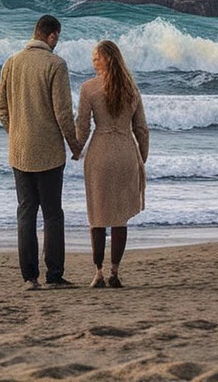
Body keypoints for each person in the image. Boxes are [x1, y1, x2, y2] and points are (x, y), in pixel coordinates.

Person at [0, 14, 82, 290]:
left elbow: (1, 108)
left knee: (26, 212)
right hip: (48, 153)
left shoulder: (11, 63)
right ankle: (54, 275)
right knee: (53, 214)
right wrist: (74, 145)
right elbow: (63, 113)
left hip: (19, 151)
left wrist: (17, 134)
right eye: (58, 38)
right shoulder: (56, 64)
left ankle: (29, 277)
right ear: (52, 36)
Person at [75, 39, 149, 289]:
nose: (93, 60)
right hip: (126, 152)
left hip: (100, 154)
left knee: (97, 215)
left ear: (106, 59)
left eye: (96, 56)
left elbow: (82, 127)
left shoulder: (89, 89)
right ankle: (114, 272)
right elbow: (141, 129)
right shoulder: (132, 90)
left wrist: (76, 150)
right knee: (119, 218)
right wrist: (142, 157)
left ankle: (97, 273)